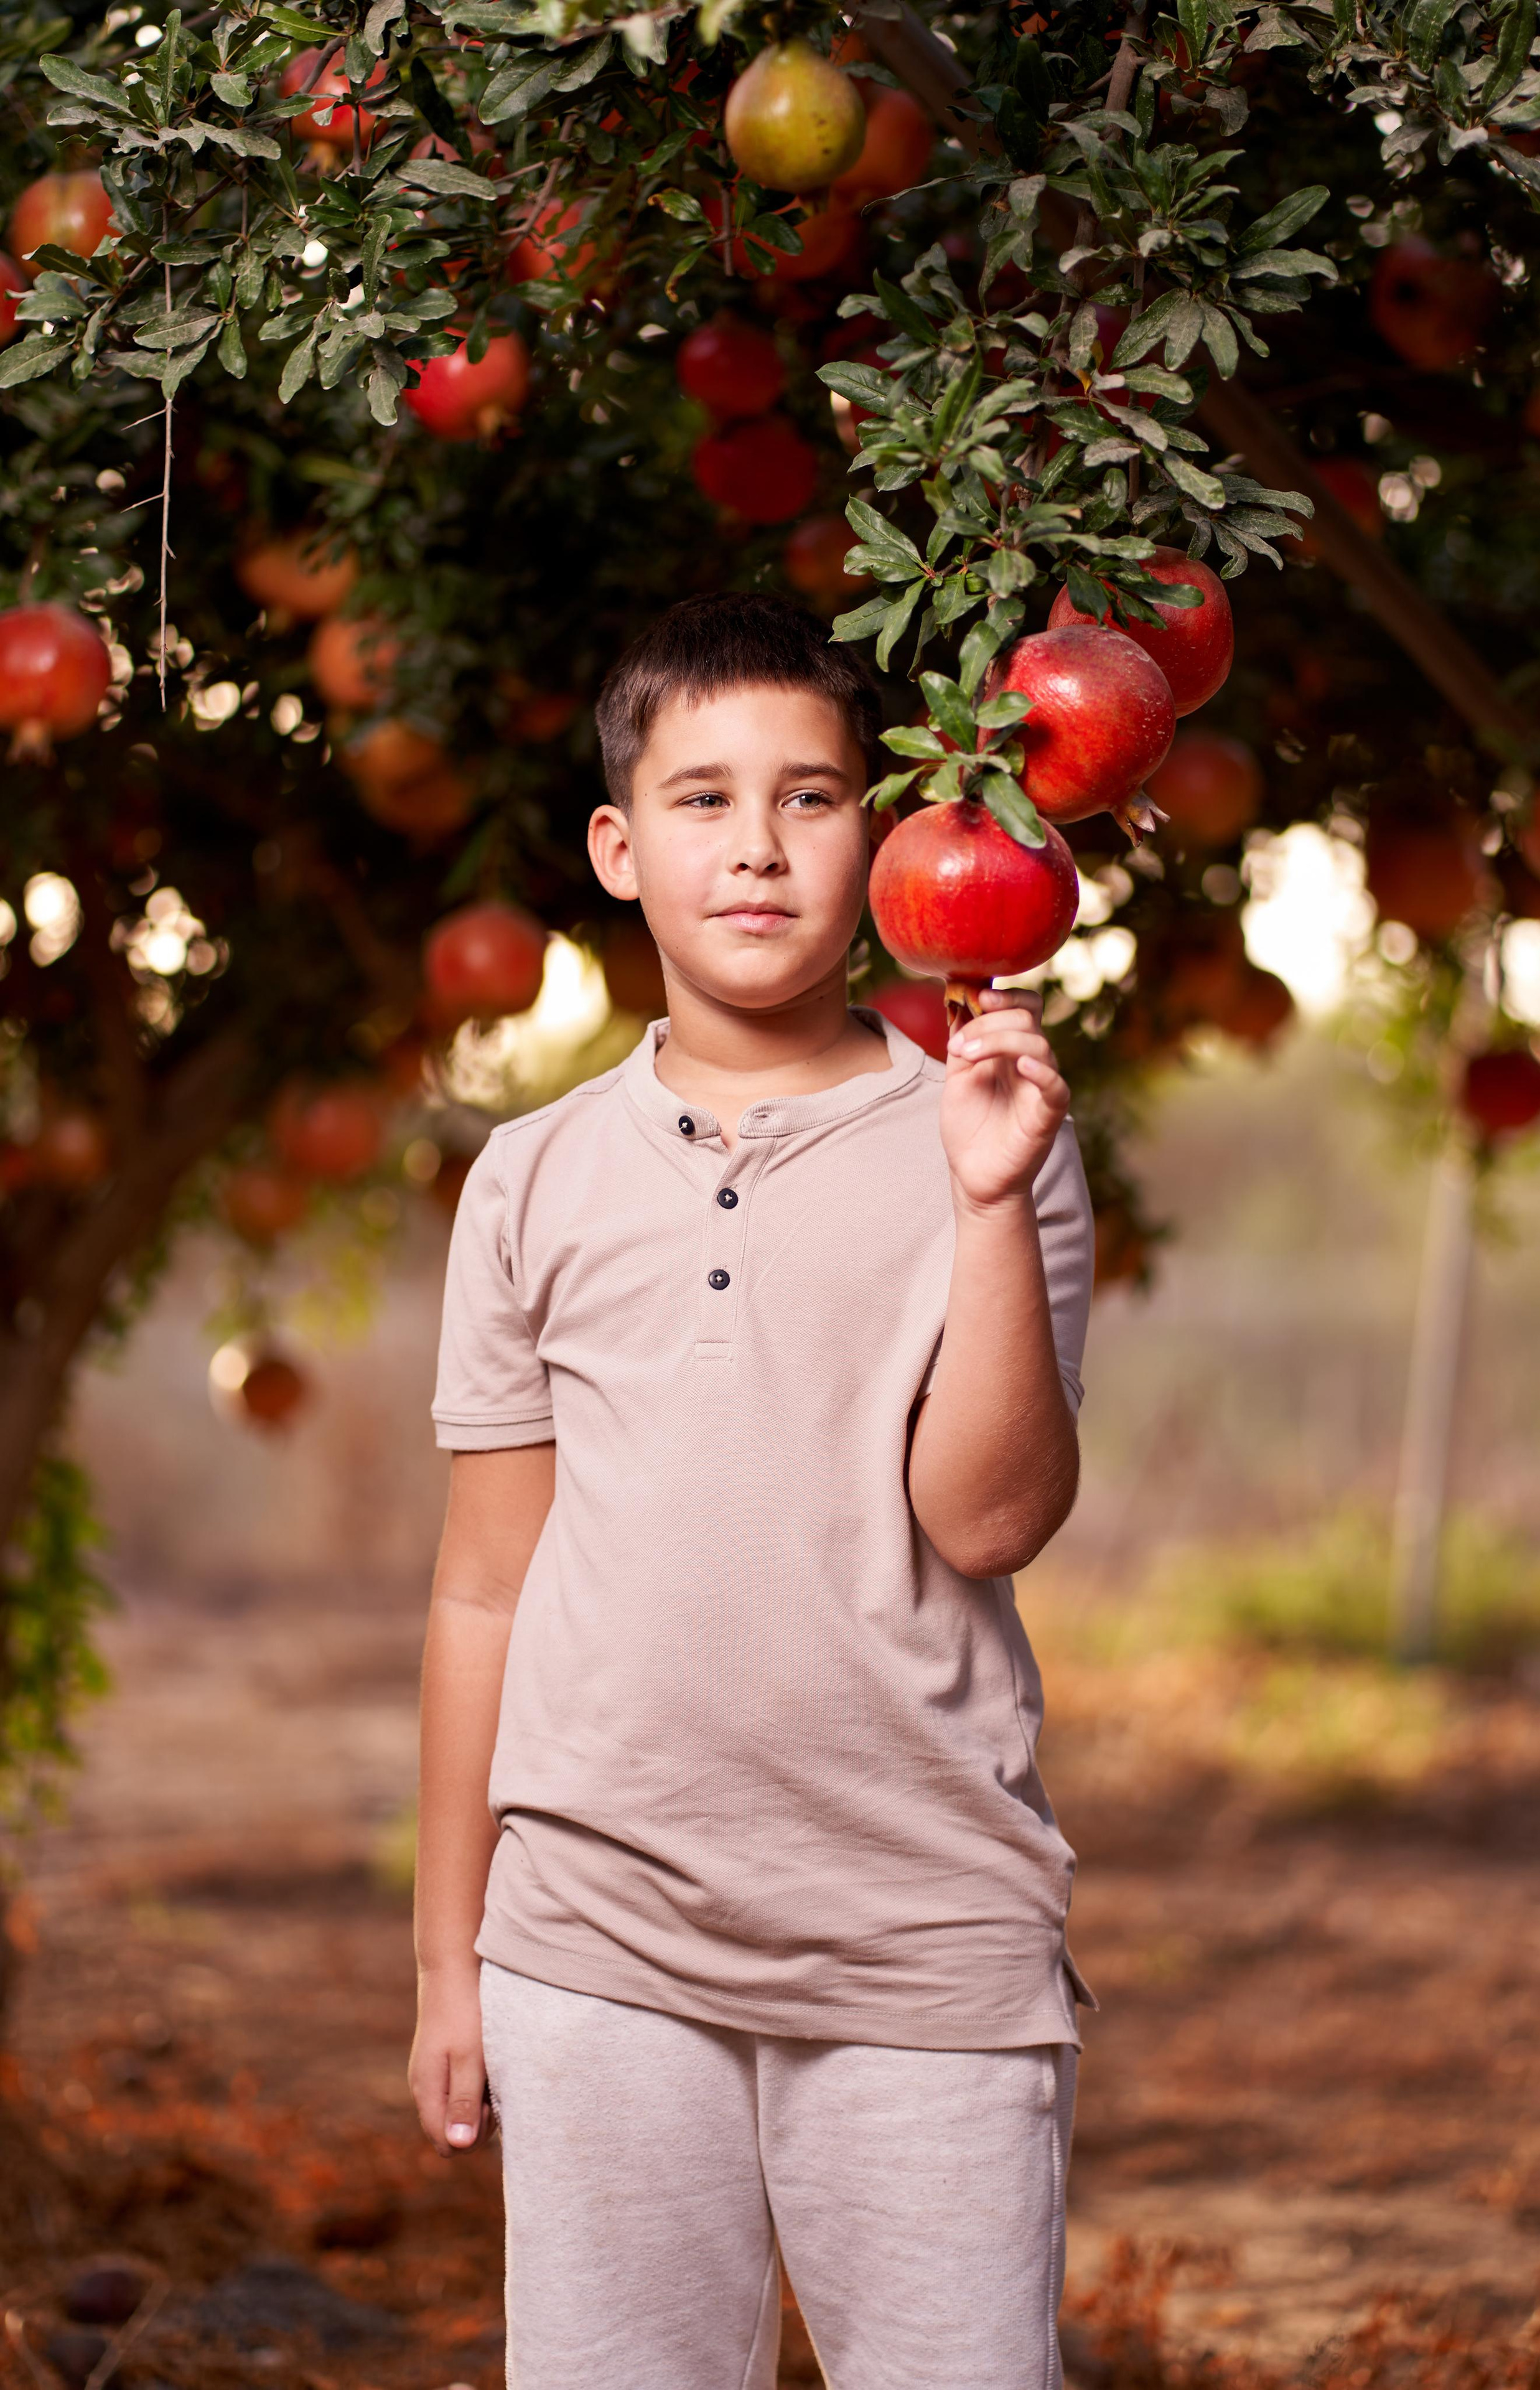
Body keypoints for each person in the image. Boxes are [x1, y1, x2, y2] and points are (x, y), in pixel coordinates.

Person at [410, 591, 1095, 2390]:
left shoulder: (996, 1127)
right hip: (594, 1947)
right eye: (704, 801)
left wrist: (984, 1199)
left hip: (924, 1943)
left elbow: (992, 1521)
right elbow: (484, 1590)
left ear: (881, 830)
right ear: (619, 850)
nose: (761, 848)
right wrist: (444, 1960)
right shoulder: (531, 1179)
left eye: (811, 796)